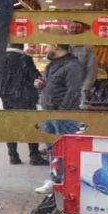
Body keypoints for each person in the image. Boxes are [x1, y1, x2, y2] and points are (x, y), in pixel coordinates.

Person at [34, 43, 85, 193]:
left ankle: (67, 181)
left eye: (46, 46)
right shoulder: (52, 65)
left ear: (55, 46)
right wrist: (42, 86)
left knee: (65, 148)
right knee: (52, 147)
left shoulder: (72, 66)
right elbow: (57, 87)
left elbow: (73, 91)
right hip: (49, 112)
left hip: (63, 114)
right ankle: (56, 179)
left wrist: (62, 112)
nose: (45, 49)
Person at [1, 43, 47, 166]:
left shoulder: (1, 58)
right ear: (21, 45)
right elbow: (35, 77)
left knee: (10, 127)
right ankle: (34, 156)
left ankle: (13, 156)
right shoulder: (25, 58)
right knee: (31, 126)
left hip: (7, 99)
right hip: (25, 99)